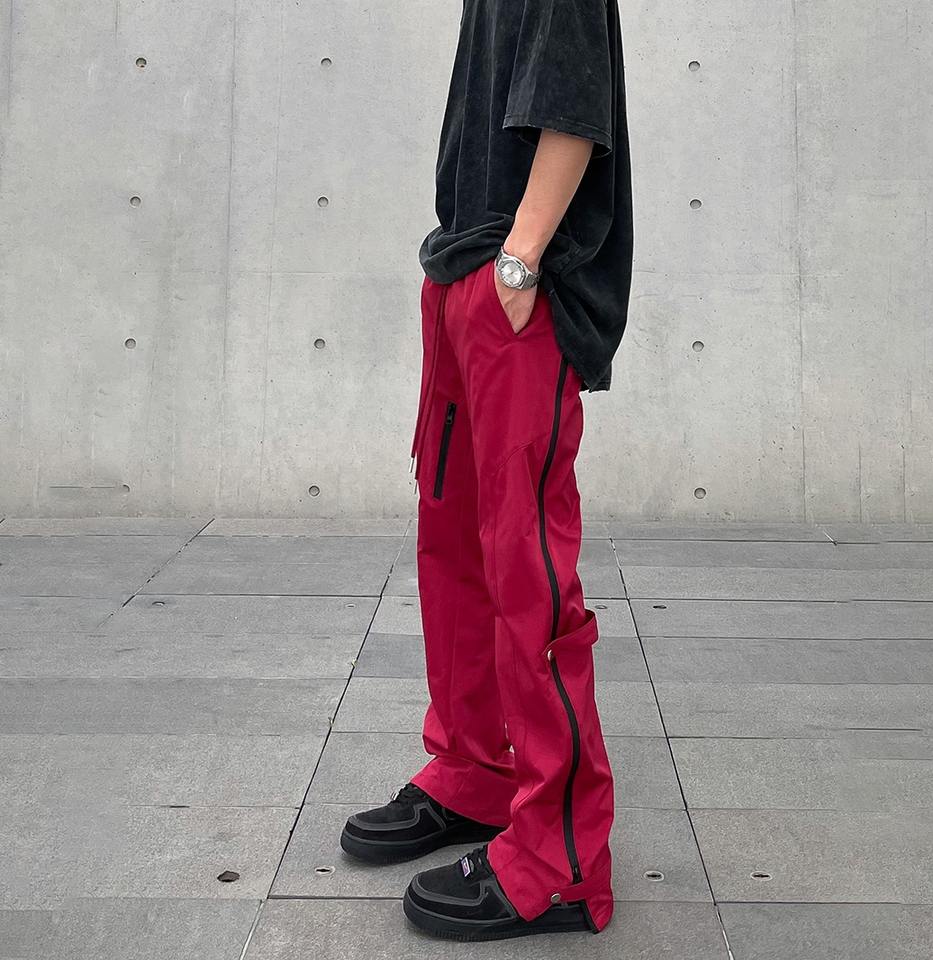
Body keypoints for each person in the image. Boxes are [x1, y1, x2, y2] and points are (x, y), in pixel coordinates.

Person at [341, 0, 633, 941]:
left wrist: (518, 265)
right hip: (465, 274)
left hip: (517, 292)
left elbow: (573, 114)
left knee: (526, 573)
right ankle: (475, 771)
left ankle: (560, 858)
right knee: (455, 548)